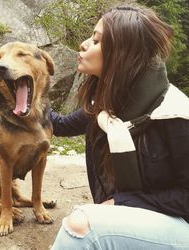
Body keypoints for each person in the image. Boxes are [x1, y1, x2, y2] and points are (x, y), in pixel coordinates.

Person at [50, 3, 189, 250]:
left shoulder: (175, 114)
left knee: (81, 227)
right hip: (144, 219)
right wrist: (17, 105)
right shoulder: (108, 107)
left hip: (182, 227)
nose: (84, 45)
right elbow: (60, 125)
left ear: (123, 54)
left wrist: (123, 202)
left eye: (96, 41)